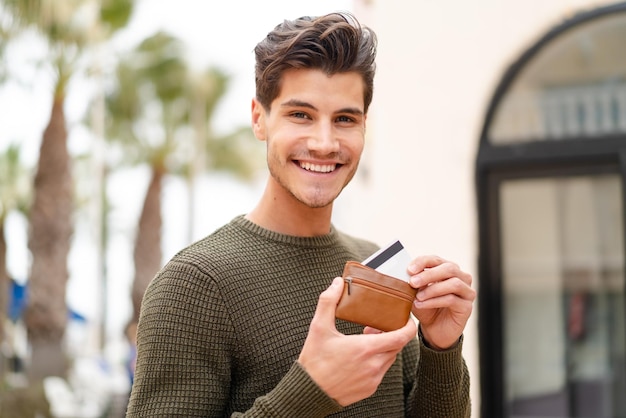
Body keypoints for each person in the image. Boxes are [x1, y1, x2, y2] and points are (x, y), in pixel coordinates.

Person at [126, 12, 475, 417]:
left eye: (345, 119)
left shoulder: (374, 265)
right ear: (260, 119)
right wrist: (309, 392)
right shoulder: (194, 285)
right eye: (300, 115)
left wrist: (442, 348)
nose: (324, 143)